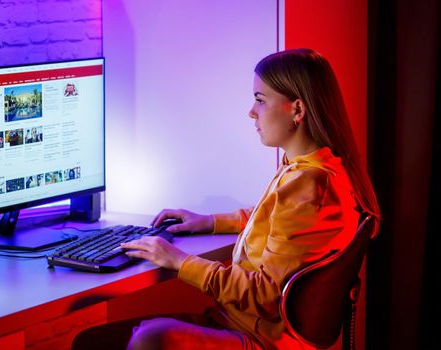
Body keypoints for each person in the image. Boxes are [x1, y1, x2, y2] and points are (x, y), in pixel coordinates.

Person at [72, 48, 380, 350]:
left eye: (260, 100)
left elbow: (264, 294)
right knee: (92, 341)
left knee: (145, 339)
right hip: (241, 325)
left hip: (258, 336)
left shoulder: (310, 185)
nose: (251, 111)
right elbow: (274, 221)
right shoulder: (314, 169)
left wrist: (179, 261)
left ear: (297, 110)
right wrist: (208, 222)